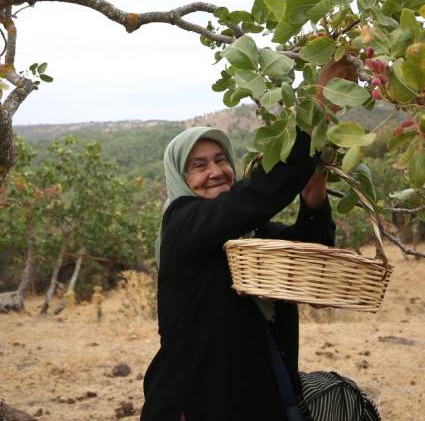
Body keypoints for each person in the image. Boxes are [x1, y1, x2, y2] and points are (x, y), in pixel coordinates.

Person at [141, 61, 354, 421]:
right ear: (179, 176)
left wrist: (313, 195)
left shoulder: (250, 235)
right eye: (198, 165)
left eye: (220, 160)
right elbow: (252, 198)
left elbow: (309, 250)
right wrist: (320, 106)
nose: (215, 172)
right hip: (194, 404)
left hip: (260, 394)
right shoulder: (183, 222)